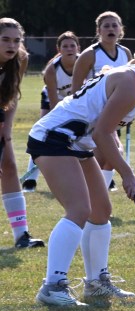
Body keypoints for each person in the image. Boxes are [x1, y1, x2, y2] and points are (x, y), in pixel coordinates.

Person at [30, 28, 135, 306]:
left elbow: (107, 129)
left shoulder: (134, 80)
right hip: (54, 138)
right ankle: (52, 286)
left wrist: (121, 163)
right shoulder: (130, 84)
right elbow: (102, 134)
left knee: (101, 211)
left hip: (76, 143)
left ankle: (96, 283)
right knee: (79, 209)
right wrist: (127, 173)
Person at [72, 11, 132, 192]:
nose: (111, 29)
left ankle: (98, 198)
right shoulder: (89, 55)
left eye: (115, 25)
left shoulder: (126, 53)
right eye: (106, 26)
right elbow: (76, 89)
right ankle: (90, 199)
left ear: (121, 29)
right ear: (98, 30)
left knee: (110, 158)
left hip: (114, 114)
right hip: (93, 116)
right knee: (101, 158)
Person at [0, 18, 45, 248]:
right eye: (5, 39)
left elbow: (12, 95)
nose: (12, 45)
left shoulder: (20, 59)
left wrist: (7, 129)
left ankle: (21, 235)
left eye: (16, 40)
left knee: (9, 166)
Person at [22, 31, 80, 192]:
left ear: (78, 47)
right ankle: (30, 180)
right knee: (42, 134)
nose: (69, 49)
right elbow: (55, 104)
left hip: (77, 104)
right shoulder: (52, 69)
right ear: (58, 49)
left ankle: (104, 180)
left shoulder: (84, 63)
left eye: (72, 45)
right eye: (65, 46)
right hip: (53, 101)